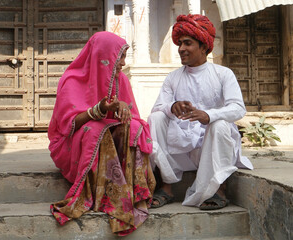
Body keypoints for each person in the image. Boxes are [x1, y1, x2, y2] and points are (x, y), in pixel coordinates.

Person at [48, 31, 156, 235]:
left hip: (108, 138)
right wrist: (99, 110)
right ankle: (105, 196)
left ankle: (133, 192)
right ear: (104, 56)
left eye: (124, 56)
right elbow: (68, 126)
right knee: (95, 129)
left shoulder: (121, 80)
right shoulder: (72, 79)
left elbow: (133, 117)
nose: (123, 63)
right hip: (72, 143)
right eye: (120, 57)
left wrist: (122, 110)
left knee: (134, 127)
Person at [147, 14, 253, 210]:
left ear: (204, 47)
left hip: (212, 143)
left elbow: (238, 108)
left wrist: (209, 115)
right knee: (156, 117)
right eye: (180, 44)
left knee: (220, 124)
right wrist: (172, 107)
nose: (181, 49)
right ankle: (166, 186)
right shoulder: (173, 78)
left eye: (187, 43)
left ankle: (219, 188)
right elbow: (158, 106)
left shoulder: (223, 74)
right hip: (181, 144)